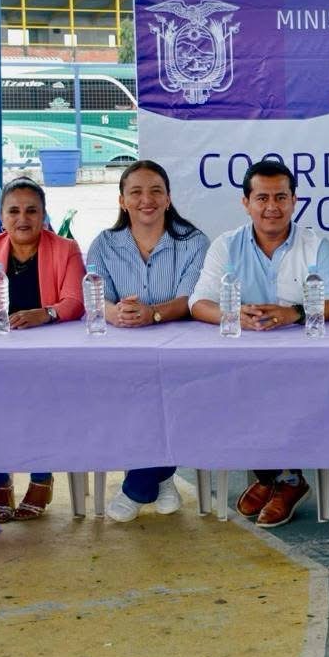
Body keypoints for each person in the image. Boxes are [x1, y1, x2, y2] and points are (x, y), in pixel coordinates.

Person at [190, 159, 329, 527]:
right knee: (224, 390)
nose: (272, 207)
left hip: (302, 364)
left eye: (281, 197)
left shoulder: (315, 246)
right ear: (246, 203)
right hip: (240, 363)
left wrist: (293, 313)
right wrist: (233, 315)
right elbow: (199, 302)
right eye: (262, 198)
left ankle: (281, 479)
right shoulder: (226, 245)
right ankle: (276, 478)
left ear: (294, 201)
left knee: (282, 391)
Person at [0, 176, 84, 522]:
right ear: (2, 217)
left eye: (31, 211)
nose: (23, 218)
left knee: (41, 406)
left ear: (43, 215)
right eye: (14, 211)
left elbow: (76, 301)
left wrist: (46, 313)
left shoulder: (65, 249)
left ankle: (41, 479)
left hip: (48, 358)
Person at [85, 160, 209, 523]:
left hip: (181, 350)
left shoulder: (193, 242)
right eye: (135, 192)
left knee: (170, 393)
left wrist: (152, 313)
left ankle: (138, 487)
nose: (146, 200)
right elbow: (96, 297)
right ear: (122, 201)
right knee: (123, 395)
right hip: (121, 350)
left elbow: (192, 299)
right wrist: (116, 313)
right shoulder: (104, 244)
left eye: (156, 191)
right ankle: (163, 476)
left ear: (168, 199)